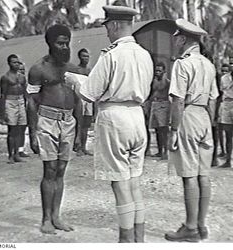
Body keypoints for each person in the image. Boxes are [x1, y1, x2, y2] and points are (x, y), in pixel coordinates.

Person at [66, 5, 153, 243]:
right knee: (134, 181)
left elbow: (89, 93)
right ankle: (139, 239)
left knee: (120, 183)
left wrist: (75, 80)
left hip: (114, 117)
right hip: (137, 116)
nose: (106, 32)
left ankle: (125, 241)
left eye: (107, 27)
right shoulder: (144, 54)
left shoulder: (111, 55)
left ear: (114, 25)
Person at [165, 19, 218, 242]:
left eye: (176, 37)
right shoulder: (209, 64)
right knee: (203, 175)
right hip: (204, 116)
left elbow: (177, 100)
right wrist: (209, 123)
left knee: (189, 175)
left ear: (184, 38)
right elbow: (214, 98)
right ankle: (201, 225)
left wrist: (174, 130)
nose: (175, 41)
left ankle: (190, 227)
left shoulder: (182, 63)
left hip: (187, 115)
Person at [27, 24, 81, 234]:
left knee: (61, 171)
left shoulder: (73, 69)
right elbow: (31, 101)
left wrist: (81, 133)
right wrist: (32, 133)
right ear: (50, 43)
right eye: (60, 43)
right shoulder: (38, 69)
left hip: (68, 122)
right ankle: (46, 219)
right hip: (47, 121)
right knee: (49, 170)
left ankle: (57, 216)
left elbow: (78, 100)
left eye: (67, 42)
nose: (64, 46)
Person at [0, 54, 27, 164]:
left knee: (20, 129)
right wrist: (3, 112)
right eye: (14, 62)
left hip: (20, 101)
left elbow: (25, 92)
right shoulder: (5, 77)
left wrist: (25, 104)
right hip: (10, 102)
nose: (16, 64)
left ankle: (17, 154)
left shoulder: (22, 77)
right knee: (12, 130)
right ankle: (10, 155)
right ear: (9, 63)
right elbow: (3, 94)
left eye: (18, 62)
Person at [148, 62, 170, 159]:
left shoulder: (167, 82)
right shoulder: (153, 82)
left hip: (164, 106)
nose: (157, 73)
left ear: (164, 71)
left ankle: (165, 151)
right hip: (155, 105)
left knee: (163, 130)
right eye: (156, 71)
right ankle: (160, 151)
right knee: (156, 130)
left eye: (159, 71)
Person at [75, 48, 93, 156]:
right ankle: (78, 148)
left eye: (87, 56)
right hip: (80, 98)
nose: (86, 58)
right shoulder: (76, 70)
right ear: (79, 57)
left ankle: (84, 147)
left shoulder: (90, 71)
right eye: (83, 56)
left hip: (89, 98)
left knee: (87, 124)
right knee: (79, 123)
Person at [217, 64, 230, 159]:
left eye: (226, 71)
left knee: (227, 130)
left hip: (227, 105)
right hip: (219, 105)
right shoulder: (219, 81)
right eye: (223, 71)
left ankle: (227, 151)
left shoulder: (229, 81)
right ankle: (222, 150)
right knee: (219, 129)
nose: (224, 73)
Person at [17, 62, 30, 158]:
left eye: (23, 70)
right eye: (20, 70)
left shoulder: (24, 82)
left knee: (22, 128)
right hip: (13, 103)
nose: (22, 72)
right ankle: (14, 150)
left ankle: (20, 149)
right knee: (14, 129)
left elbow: (27, 95)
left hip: (23, 105)